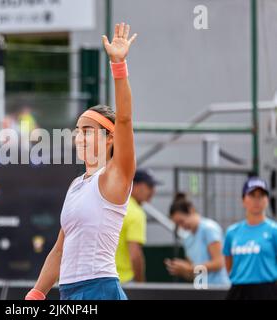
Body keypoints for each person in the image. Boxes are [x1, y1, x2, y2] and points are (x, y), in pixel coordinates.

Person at [24, 22, 138, 300]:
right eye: (77, 131)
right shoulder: (76, 185)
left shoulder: (115, 177)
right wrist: (37, 293)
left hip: (100, 288)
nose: (79, 137)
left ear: (110, 138)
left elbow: (124, 119)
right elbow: (61, 249)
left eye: (87, 130)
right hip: (69, 292)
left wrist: (118, 66)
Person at [223, 177, 277, 300]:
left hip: (267, 290)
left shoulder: (274, 230)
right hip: (239, 290)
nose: (257, 200)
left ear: (267, 200)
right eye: (252, 195)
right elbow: (228, 264)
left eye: (261, 195)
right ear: (243, 200)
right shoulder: (232, 232)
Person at [165, 193, 230, 286]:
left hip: (219, 288)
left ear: (191, 211)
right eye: (177, 224)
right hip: (201, 289)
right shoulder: (187, 238)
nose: (181, 226)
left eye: (181, 221)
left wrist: (189, 268)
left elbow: (219, 263)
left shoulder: (209, 229)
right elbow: (193, 273)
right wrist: (182, 270)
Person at [115, 169, 160, 283]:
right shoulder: (136, 213)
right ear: (134, 185)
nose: (153, 191)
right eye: (149, 186)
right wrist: (140, 285)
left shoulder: (114, 204)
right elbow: (135, 255)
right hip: (124, 281)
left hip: (101, 279)